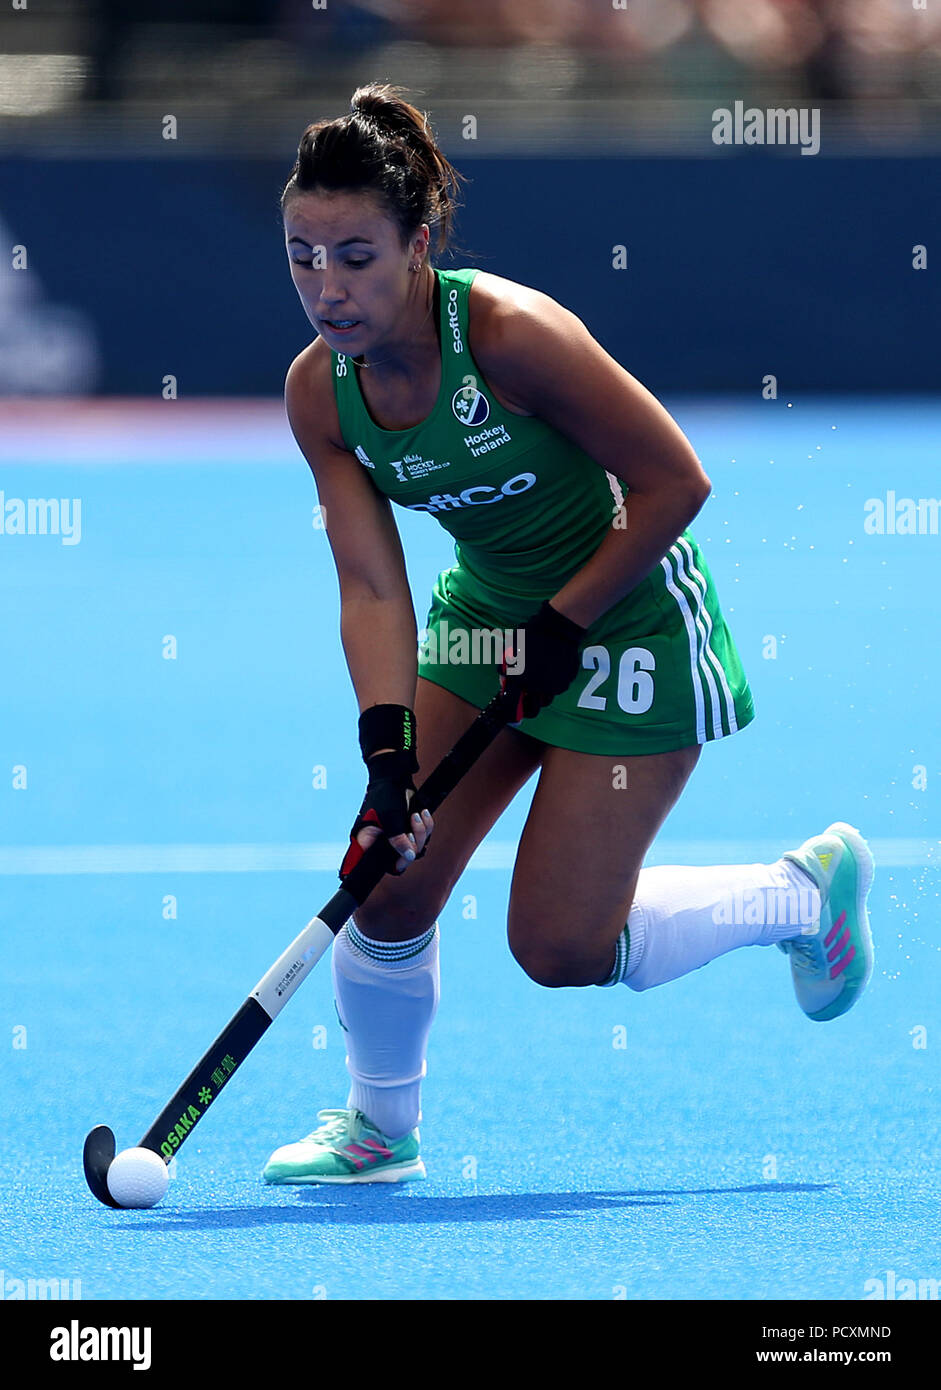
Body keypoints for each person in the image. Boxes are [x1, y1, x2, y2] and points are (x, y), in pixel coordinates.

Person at [263, 83, 874, 1185]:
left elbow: (673, 482)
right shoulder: (321, 393)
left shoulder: (507, 335)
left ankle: (797, 893)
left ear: (417, 242)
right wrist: (386, 746)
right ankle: (378, 1128)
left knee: (555, 949)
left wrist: (567, 620)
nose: (326, 287)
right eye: (303, 255)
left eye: (355, 255)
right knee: (385, 876)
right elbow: (367, 582)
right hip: (489, 615)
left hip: (629, 611)